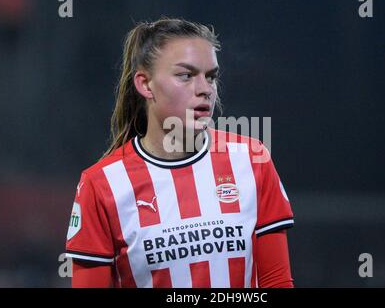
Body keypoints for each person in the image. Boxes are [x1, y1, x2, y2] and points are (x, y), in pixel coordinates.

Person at [65, 18, 295, 288]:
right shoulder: (101, 185)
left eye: (211, 77)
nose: (205, 89)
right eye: (186, 75)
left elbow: (276, 282)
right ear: (145, 84)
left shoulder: (252, 160)